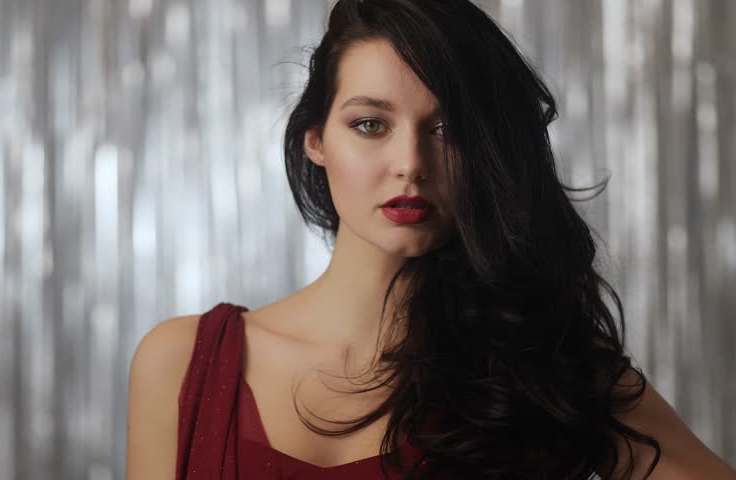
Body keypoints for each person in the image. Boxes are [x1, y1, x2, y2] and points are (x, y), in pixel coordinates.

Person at [126, 0, 736, 478]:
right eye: (371, 124)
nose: (411, 164)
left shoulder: (544, 365)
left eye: (448, 129)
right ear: (316, 139)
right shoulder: (181, 364)